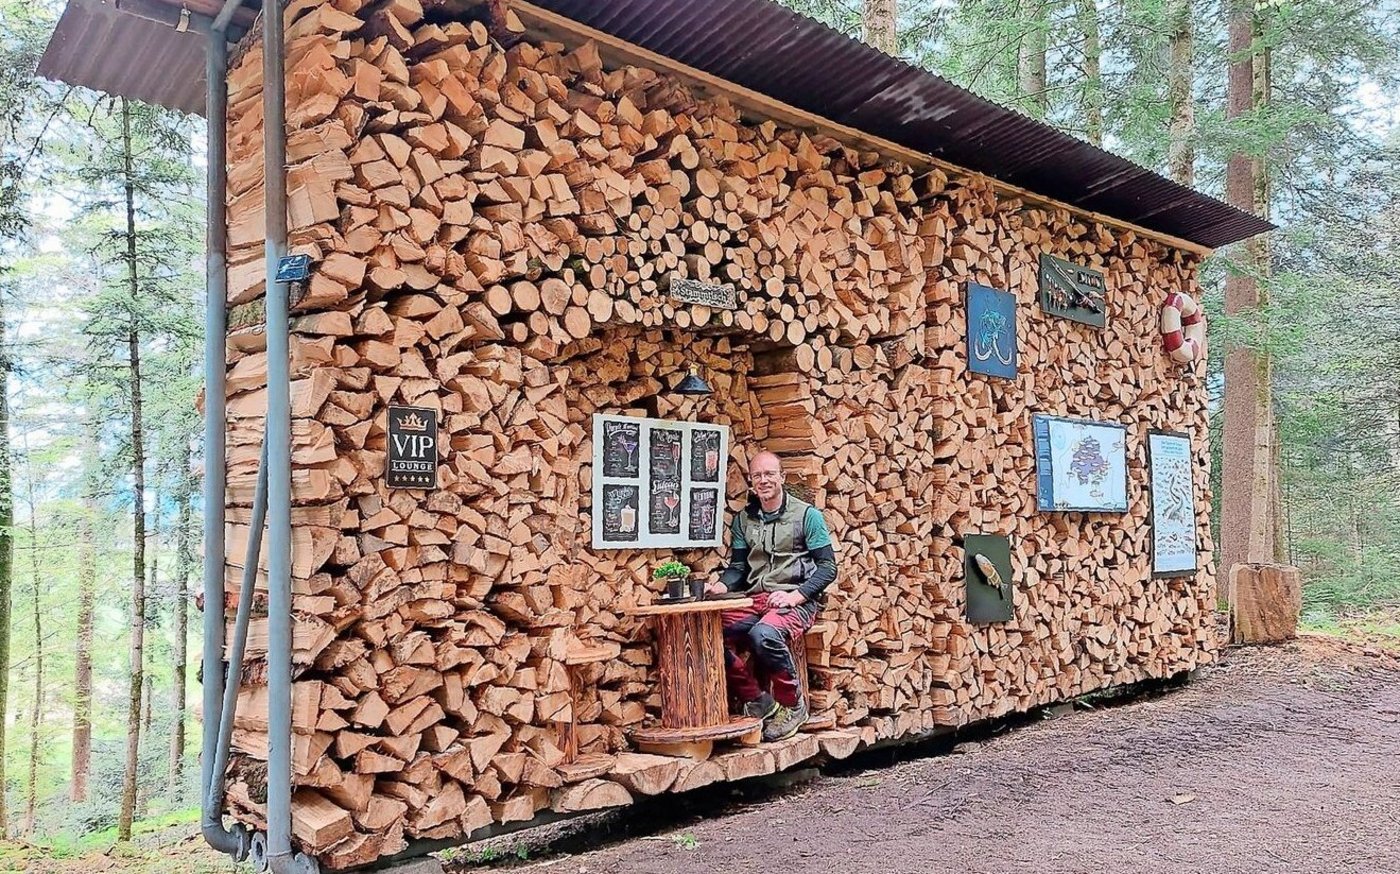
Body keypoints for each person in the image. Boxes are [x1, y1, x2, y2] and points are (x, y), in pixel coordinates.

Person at [705, 450, 838, 741]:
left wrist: (796, 596)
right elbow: (738, 568)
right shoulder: (743, 520)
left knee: (764, 634)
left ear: (782, 477)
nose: (763, 480)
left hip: (796, 600)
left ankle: (793, 706)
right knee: (710, 633)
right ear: (751, 481)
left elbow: (828, 568)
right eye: (757, 475)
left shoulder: (808, 516)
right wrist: (721, 586)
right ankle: (757, 698)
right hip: (755, 599)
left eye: (769, 474)